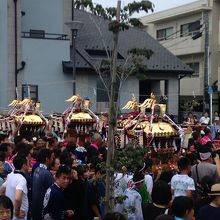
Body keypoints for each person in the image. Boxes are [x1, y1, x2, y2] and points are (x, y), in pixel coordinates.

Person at [31, 149, 54, 220]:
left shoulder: (36, 168)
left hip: (34, 206)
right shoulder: (47, 173)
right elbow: (51, 193)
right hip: (42, 208)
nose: (53, 159)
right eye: (52, 157)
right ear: (47, 159)